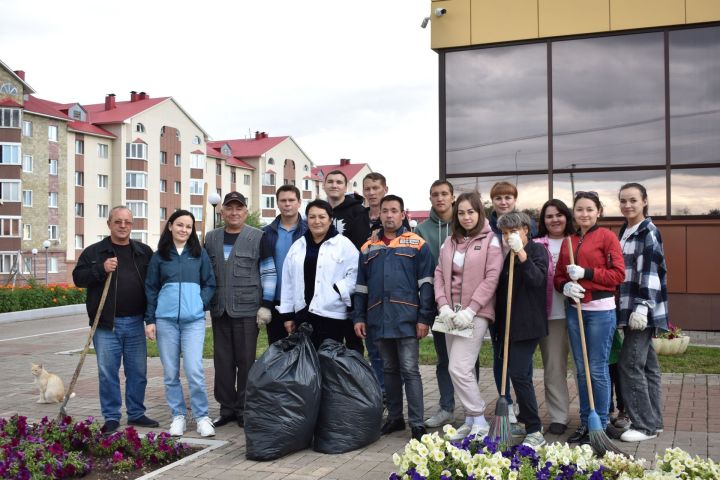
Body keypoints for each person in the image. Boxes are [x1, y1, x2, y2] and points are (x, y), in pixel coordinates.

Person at [354, 195, 434, 441]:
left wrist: (424, 318)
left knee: (410, 370)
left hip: (407, 319)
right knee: (389, 370)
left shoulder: (417, 244)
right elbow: (361, 287)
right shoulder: (368, 247)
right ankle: (396, 418)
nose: (389, 215)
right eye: (385, 211)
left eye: (394, 211)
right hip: (378, 318)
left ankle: (417, 423)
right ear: (379, 215)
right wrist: (359, 317)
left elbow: (427, 285)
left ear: (403, 214)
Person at [72, 206, 158, 434]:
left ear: (132, 225)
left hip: (136, 322)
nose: (123, 226)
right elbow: (78, 278)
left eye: (127, 222)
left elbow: (153, 284)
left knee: (138, 372)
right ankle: (111, 417)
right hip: (105, 325)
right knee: (108, 373)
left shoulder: (143, 252)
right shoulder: (95, 253)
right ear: (109, 224)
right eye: (118, 221)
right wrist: (100, 268)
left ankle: (136, 413)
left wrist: (152, 318)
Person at [554, 191, 625, 445]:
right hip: (575, 311)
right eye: (579, 209)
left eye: (589, 209)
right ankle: (586, 422)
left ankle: (602, 423)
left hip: (601, 311)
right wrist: (565, 287)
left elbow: (618, 275)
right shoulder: (569, 241)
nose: (584, 214)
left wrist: (587, 272)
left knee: (596, 369)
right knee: (582, 371)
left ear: (598, 211)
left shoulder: (607, 237)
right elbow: (559, 276)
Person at [433, 191, 503, 440]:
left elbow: (492, 278)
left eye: (470, 212)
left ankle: (480, 418)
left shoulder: (490, 241)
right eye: (461, 212)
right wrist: (443, 306)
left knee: (459, 368)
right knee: (462, 371)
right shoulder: (449, 241)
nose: (466, 217)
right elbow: (439, 274)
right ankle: (471, 419)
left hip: (476, 313)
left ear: (479, 212)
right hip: (451, 315)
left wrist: (472, 309)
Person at [144, 210, 216, 437]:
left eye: (188, 226)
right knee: (170, 372)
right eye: (180, 225)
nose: (184, 230)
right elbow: (151, 288)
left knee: (194, 370)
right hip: (166, 322)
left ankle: (202, 416)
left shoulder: (199, 254)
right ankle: (178, 416)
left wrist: (198, 304)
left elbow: (210, 283)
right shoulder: (159, 256)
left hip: (193, 321)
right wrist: (150, 320)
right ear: (170, 226)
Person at [204, 192, 264, 429]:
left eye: (239, 208)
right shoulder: (211, 238)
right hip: (220, 309)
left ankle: (244, 409)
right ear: (222, 211)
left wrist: (265, 304)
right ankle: (226, 408)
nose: (234, 212)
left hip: (247, 309)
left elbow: (267, 271)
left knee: (246, 361)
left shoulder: (258, 237)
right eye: (229, 208)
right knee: (223, 362)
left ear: (246, 212)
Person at [616, 183, 668, 443]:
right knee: (648, 367)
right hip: (629, 309)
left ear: (644, 202)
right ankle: (654, 423)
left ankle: (644, 426)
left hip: (641, 311)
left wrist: (642, 306)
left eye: (633, 200)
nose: (628, 205)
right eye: (623, 201)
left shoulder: (648, 231)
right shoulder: (625, 231)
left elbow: (650, 271)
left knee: (630, 365)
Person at [495, 212, 549, 448]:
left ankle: (535, 429)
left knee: (517, 374)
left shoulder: (537, 251)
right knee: (521, 375)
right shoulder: (508, 256)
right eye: (505, 233)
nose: (509, 237)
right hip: (509, 325)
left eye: (513, 231)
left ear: (526, 229)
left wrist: (522, 254)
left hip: (528, 324)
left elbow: (537, 280)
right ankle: (527, 421)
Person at [278, 200, 359, 349]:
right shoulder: (298, 246)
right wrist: (288, 315)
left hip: (332, 315)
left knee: (329, 364)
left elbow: (356, 274)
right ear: (306, 219)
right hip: (303, 314)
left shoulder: (343, 245)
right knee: (306, 364)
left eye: (322, 217)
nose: (317, 221)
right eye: (312, 217)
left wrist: (339, 290)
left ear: (330, 219)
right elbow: (288, 282)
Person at [416, 180, 458, 428]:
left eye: (444, 194)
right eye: (435, 195)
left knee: (466, 359)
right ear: (430, 198)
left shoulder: (464, 221)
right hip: (435, 302)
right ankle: (447, 407)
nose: (440, 198)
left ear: (452, 197)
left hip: (463, 303)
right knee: (444, 358)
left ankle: (471, 409)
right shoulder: (422, 230)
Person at [532, 199, 574, 435]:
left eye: (559, 215)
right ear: (543, 221)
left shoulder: (578, 242)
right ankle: (559, 416)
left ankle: (593, 414)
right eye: (549, 216)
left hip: (581, 314)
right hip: (551, 316)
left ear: (566, 217)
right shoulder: (537, 245)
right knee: (554, 367)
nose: (555, 219)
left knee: (585, 367)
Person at [259, 185, 308, 344]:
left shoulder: (309, 231)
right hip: (275, 299)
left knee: (304, 350)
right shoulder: (265, 233)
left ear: (299, 202)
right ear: (277, 203)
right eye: (283, 200)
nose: (287, 204)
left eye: (291, 200)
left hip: (302, 300)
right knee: (277, 350)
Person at [323, 169, 371, 250]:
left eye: (339, 182)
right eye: (330, 182)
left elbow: (361, 246)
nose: (334, 185)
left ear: (345, 188)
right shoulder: (318, 210)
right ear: (324, 186)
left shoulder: (359, 211)